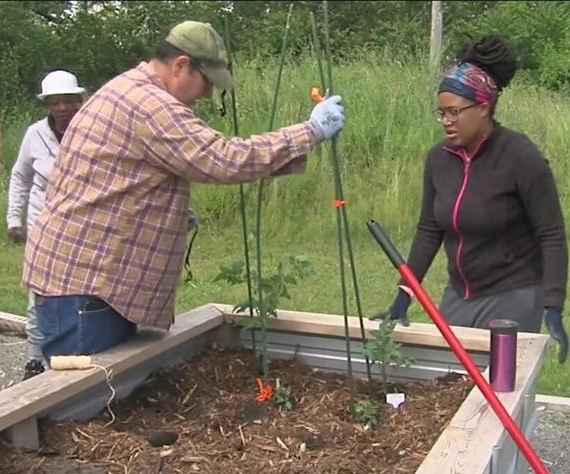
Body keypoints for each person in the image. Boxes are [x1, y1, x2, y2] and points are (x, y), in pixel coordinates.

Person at [20, 20, 346, 362]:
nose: (207, 93)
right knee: (78, 403)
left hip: (89, 283)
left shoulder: (129, 90)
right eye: (206, 82)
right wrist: (309, 132)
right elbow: (223, 159)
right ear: (180, 65)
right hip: (85, 288)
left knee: (98, 397)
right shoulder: (150, 104)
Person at [371, 35, 570, 363]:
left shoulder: (521, 156)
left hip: (513, 294)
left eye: (454, 112)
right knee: (449, 384)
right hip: (460, 294)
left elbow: (551, 234)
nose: (447, 121)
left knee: (499, 390)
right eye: (441, 113)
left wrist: (553, 306)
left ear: (483, 107)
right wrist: (404, 295)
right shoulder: (438, 159)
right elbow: (429, 229)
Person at [6, 69, 87, 379]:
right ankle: (35, 359)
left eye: (70, 102)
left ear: (80, 102)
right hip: (43, 225)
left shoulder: (91, 132)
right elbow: (21, 176)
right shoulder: (35, 134)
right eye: (57, 102)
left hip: (81, 226)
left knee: (80, 292)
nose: (64, 108)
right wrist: (14, 218)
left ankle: (78, 350)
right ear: (48, 105)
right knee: (39, 293)